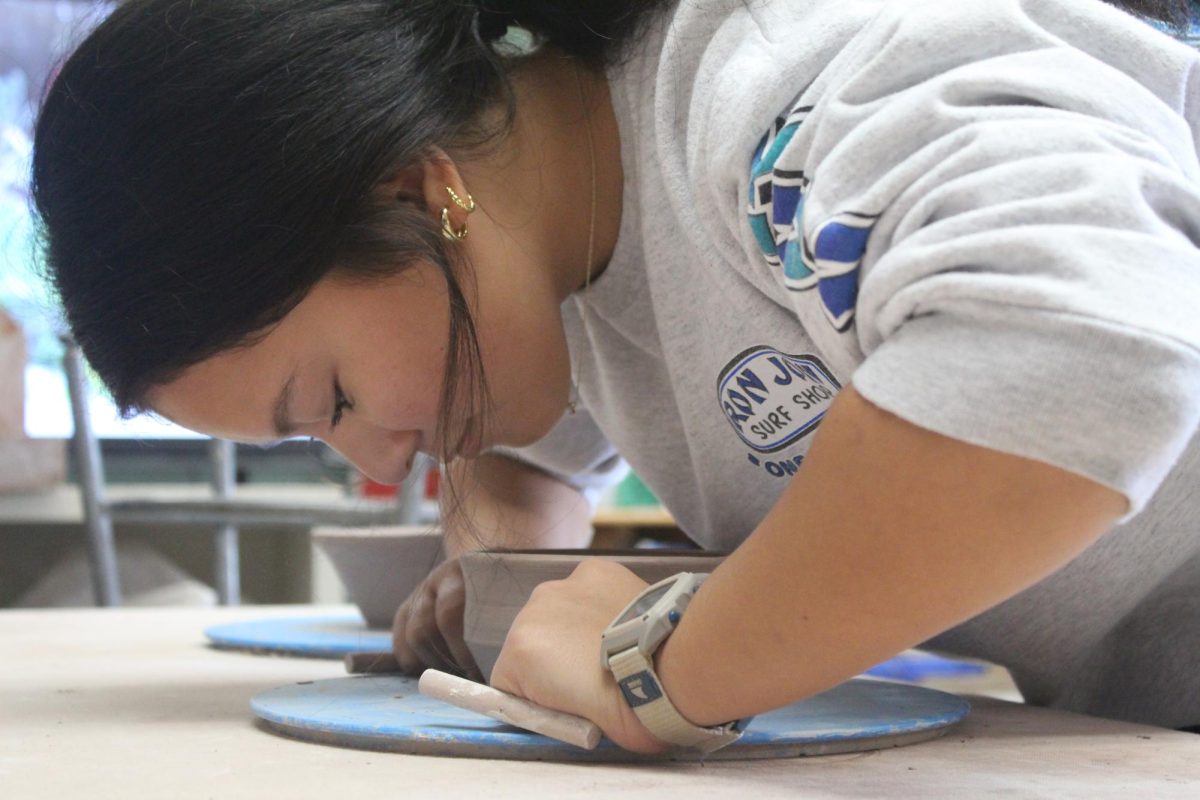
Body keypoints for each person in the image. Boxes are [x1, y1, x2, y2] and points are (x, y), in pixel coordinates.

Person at [32, 0, 1200, 752]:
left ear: (414, 189)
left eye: (331, 400)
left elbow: (1088, 351)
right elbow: (524, 447)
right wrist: (502, 571)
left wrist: (672, 663)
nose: (382, 462)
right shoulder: (565, 262)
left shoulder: (778, 84)